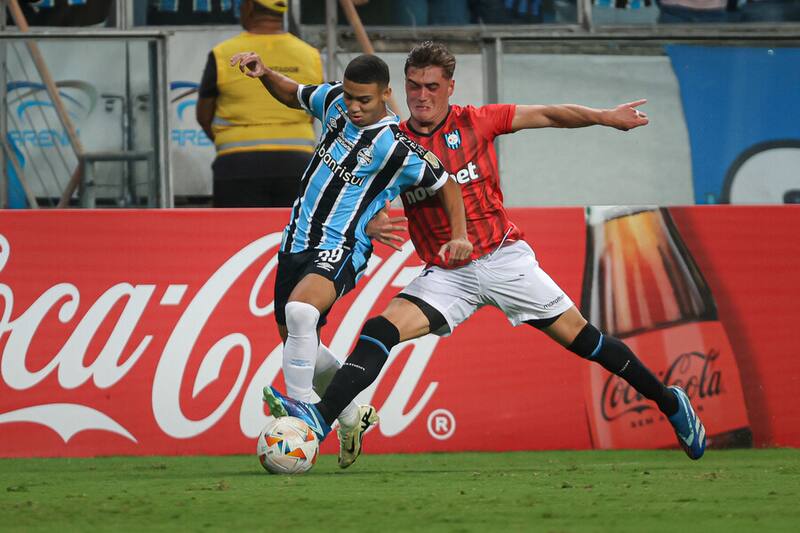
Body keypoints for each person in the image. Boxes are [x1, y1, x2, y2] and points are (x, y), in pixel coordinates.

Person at [263, 41, 707, 469]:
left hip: (503, 258)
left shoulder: (478, 121)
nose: (422, 96)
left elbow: (549, 115)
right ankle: (320, 420)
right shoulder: (389, 142)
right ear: (402, 88)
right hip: (446, 273)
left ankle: (670, 402)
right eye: (414, 85)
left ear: (450, 88)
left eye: (432, 86)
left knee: (586, 341)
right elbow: (359, 195)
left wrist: (605, 117)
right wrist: (371, 222)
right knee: (379, 330)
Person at [230, 49, 473, 443]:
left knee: (300, 312)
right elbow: (294, 93)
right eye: (350, 97)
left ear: (385, 94)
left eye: (365, 100)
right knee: (297, 335)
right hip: (296, 240)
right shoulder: (333, 103)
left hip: (343, 244)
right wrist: (264, 73)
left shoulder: (396, 146)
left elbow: (445, 182)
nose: (355, 108)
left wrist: (458, 235)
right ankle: (349, 417)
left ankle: (300, 415)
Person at [196, 0, 322, 207]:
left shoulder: (222, 53)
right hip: (298, 163)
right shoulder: (310, 55)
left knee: (239, 236)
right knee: (294, 236)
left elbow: (203, 116)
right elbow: (313, 109)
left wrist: (232, 143)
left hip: (237, 165)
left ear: (249, 7)